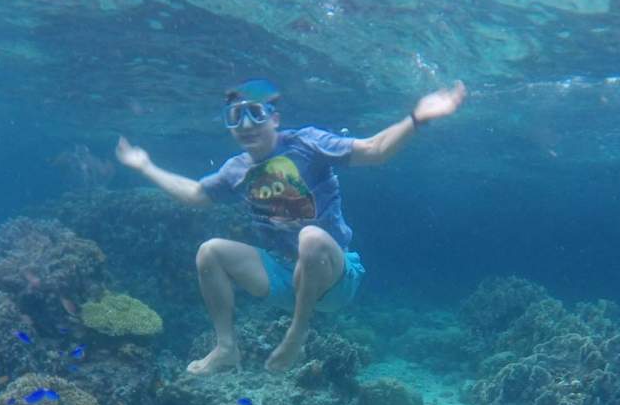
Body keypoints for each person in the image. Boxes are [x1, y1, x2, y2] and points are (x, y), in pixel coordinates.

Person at [115, 78, 466, 374]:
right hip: (283, 275)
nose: (247, 124)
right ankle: (226, 348)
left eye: (256, 113)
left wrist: (416, 119)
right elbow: (195, 194)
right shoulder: (236, 170)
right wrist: (145, 166)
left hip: (335, 277)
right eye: (235, 117)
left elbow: (375, 150)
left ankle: (297, 335)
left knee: (310, 237)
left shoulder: (307, 143)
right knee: (210, 252)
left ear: (275, 118)